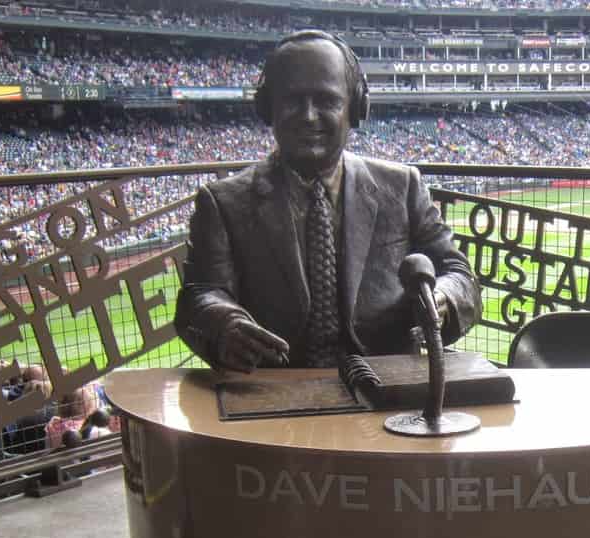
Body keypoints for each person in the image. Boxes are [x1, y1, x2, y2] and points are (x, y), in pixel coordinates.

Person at [174, 30, 481, 373]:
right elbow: (198, 297)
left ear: (356, 108)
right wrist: (224, 325)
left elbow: (459, 275)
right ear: (267, 109)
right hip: (274, 395)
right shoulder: (222, 202)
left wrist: (442, 299)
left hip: (390, 394)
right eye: (292, 100)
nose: (308, 116)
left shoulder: (403, 186)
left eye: (326, 101)